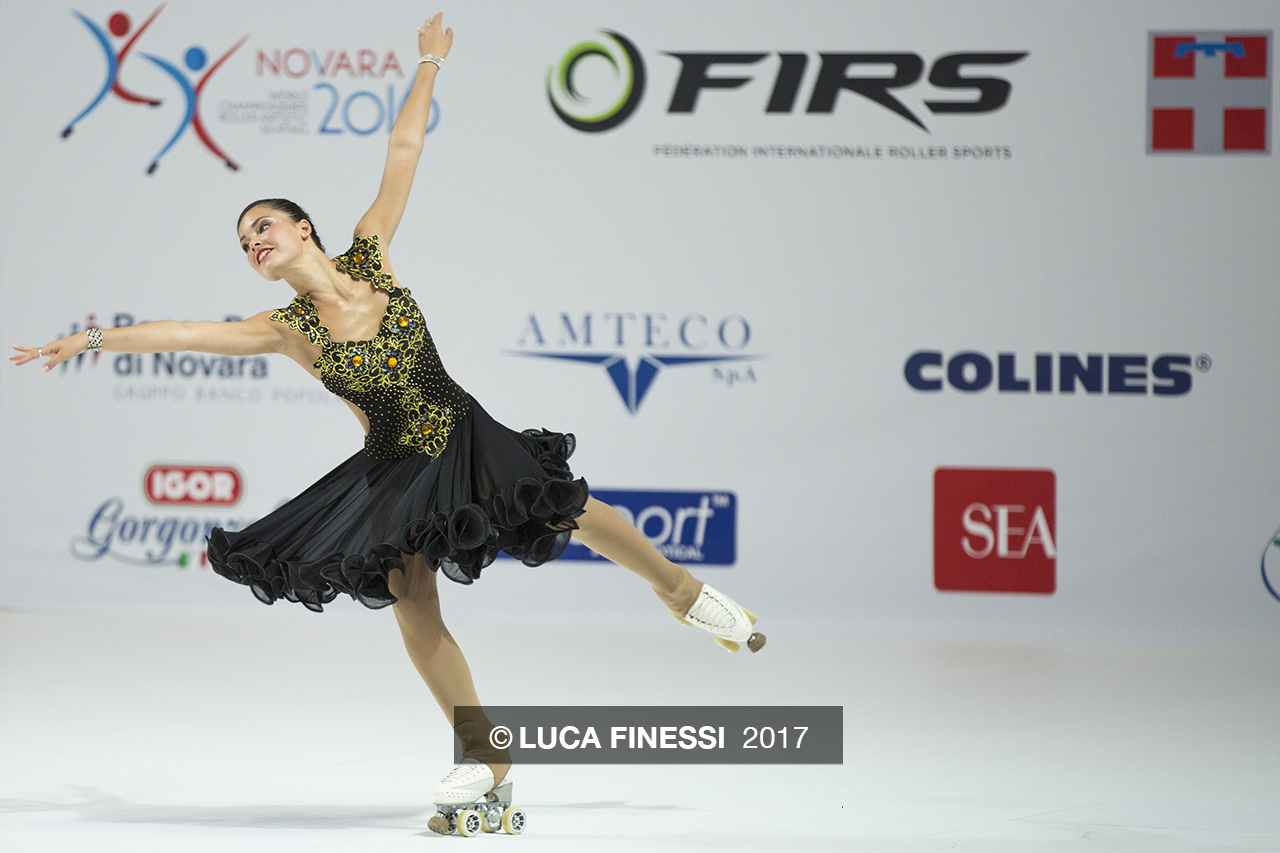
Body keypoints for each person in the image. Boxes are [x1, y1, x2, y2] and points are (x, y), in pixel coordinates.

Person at [11, 12, 763, 833]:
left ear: (304, 228)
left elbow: (403, 152)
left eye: (261, 225)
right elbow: (182, 333)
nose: (252, 242)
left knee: (569, 509)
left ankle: (684, 595)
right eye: (241, 241)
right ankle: (486, 756)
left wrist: (429, 64)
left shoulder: (371, 250)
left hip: (462, 430)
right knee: (411, 597)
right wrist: (88, 338)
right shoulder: (284, 328)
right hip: (393, 466)